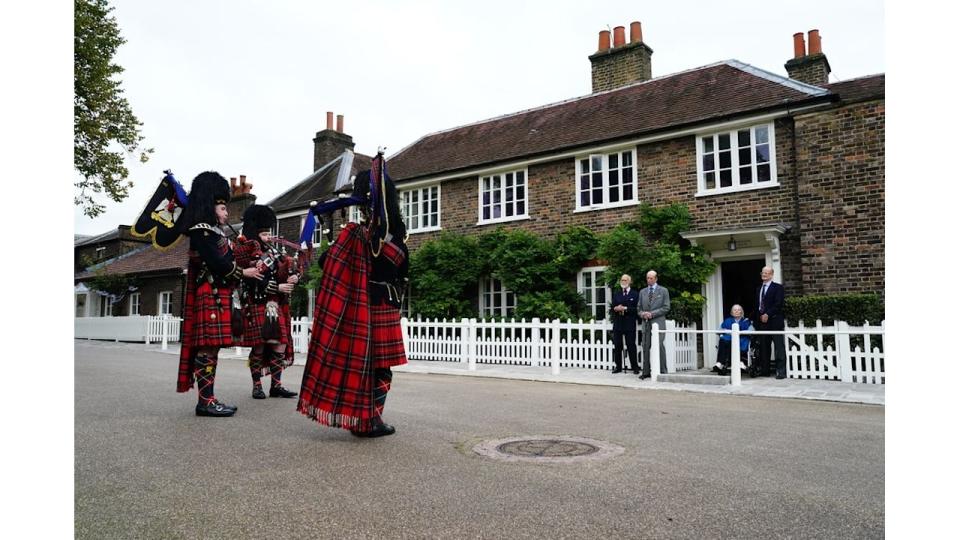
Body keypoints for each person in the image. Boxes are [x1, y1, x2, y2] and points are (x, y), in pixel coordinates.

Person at [297, 154, 409, 438]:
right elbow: (399, 265)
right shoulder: (387, 236)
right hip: (381, 305)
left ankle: (364, 419)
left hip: (360, 308)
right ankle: (369, 420)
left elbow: (326, 264)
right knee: (381, 370)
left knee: (364, 369)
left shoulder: (354, 234)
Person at [176, 172, 263, 417]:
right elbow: (218, 263)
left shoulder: (214, 232)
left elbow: (228, 258)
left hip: (218, 293)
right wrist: (243, 272)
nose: (226, 213)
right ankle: (205, 401)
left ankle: (208, 398)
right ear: (211, 206)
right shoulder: (201, 231)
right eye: (223, 207)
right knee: (207, 348)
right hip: (210, 293)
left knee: (212, 348)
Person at [233, 204, 300, 400]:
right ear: (255, 233)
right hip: (256, 302)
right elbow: (249, 280)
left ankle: (276, 385)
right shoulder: (246, 252)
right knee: (260, 345)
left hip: (274, 304)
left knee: (280, 344)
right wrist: (277, 288)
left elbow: (284, 270)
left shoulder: (273, 252)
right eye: (264, 234)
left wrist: (293, 276)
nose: (268, 237)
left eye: (269, 234)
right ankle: (256, 386)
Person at [753, 266, 787, 379]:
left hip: (775, 321)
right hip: (762, 323)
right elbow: (757, 306)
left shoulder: (778, 288)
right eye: (763, 272)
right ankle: (765, 371)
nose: (764, 274)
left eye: (767, 273)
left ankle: (781, 371)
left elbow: (778, 304)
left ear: (771, 274)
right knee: (764, 347)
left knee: (779, 347)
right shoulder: (758, 289)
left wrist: (768, 314)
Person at [638, 270, 671, 380]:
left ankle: (662, 370)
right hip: (646, 323)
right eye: (648, 278)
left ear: (656, 279)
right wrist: (643, 314)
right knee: (645, 346)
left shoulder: (663, 291)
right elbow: (639, 309)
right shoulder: (642, 292)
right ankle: (646, 371)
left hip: (658, 323)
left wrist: (652, 314)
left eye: (651, 278)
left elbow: (666, 307)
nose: (649, 280)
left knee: (659, 346)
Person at [610, 274, 640, 374]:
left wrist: (625, 308)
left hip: (629, 323)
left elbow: (637, 309)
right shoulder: (617, 294)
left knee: (631, 345)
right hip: (618, 322)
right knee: (618, 345)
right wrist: (615, 308)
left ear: (630, 281)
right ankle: (618, 366)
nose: (623, 282)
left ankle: (635, 367)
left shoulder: (635, 294)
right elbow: (612, 307)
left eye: (625, 280)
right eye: (622, 280)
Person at [712, 304, 752, 376]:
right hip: (728, 341)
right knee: (723, 339)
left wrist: (739, 332)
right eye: (734, 310)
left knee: (731, 342)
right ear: (732, 312)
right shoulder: (727, 320)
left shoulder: (746, 321)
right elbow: (718, 330)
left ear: (741, 312)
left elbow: (752, 331)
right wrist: (727, 331)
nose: (736, 311)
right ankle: (720, 363)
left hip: (741, 341)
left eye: (738, 310)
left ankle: (737, 362)